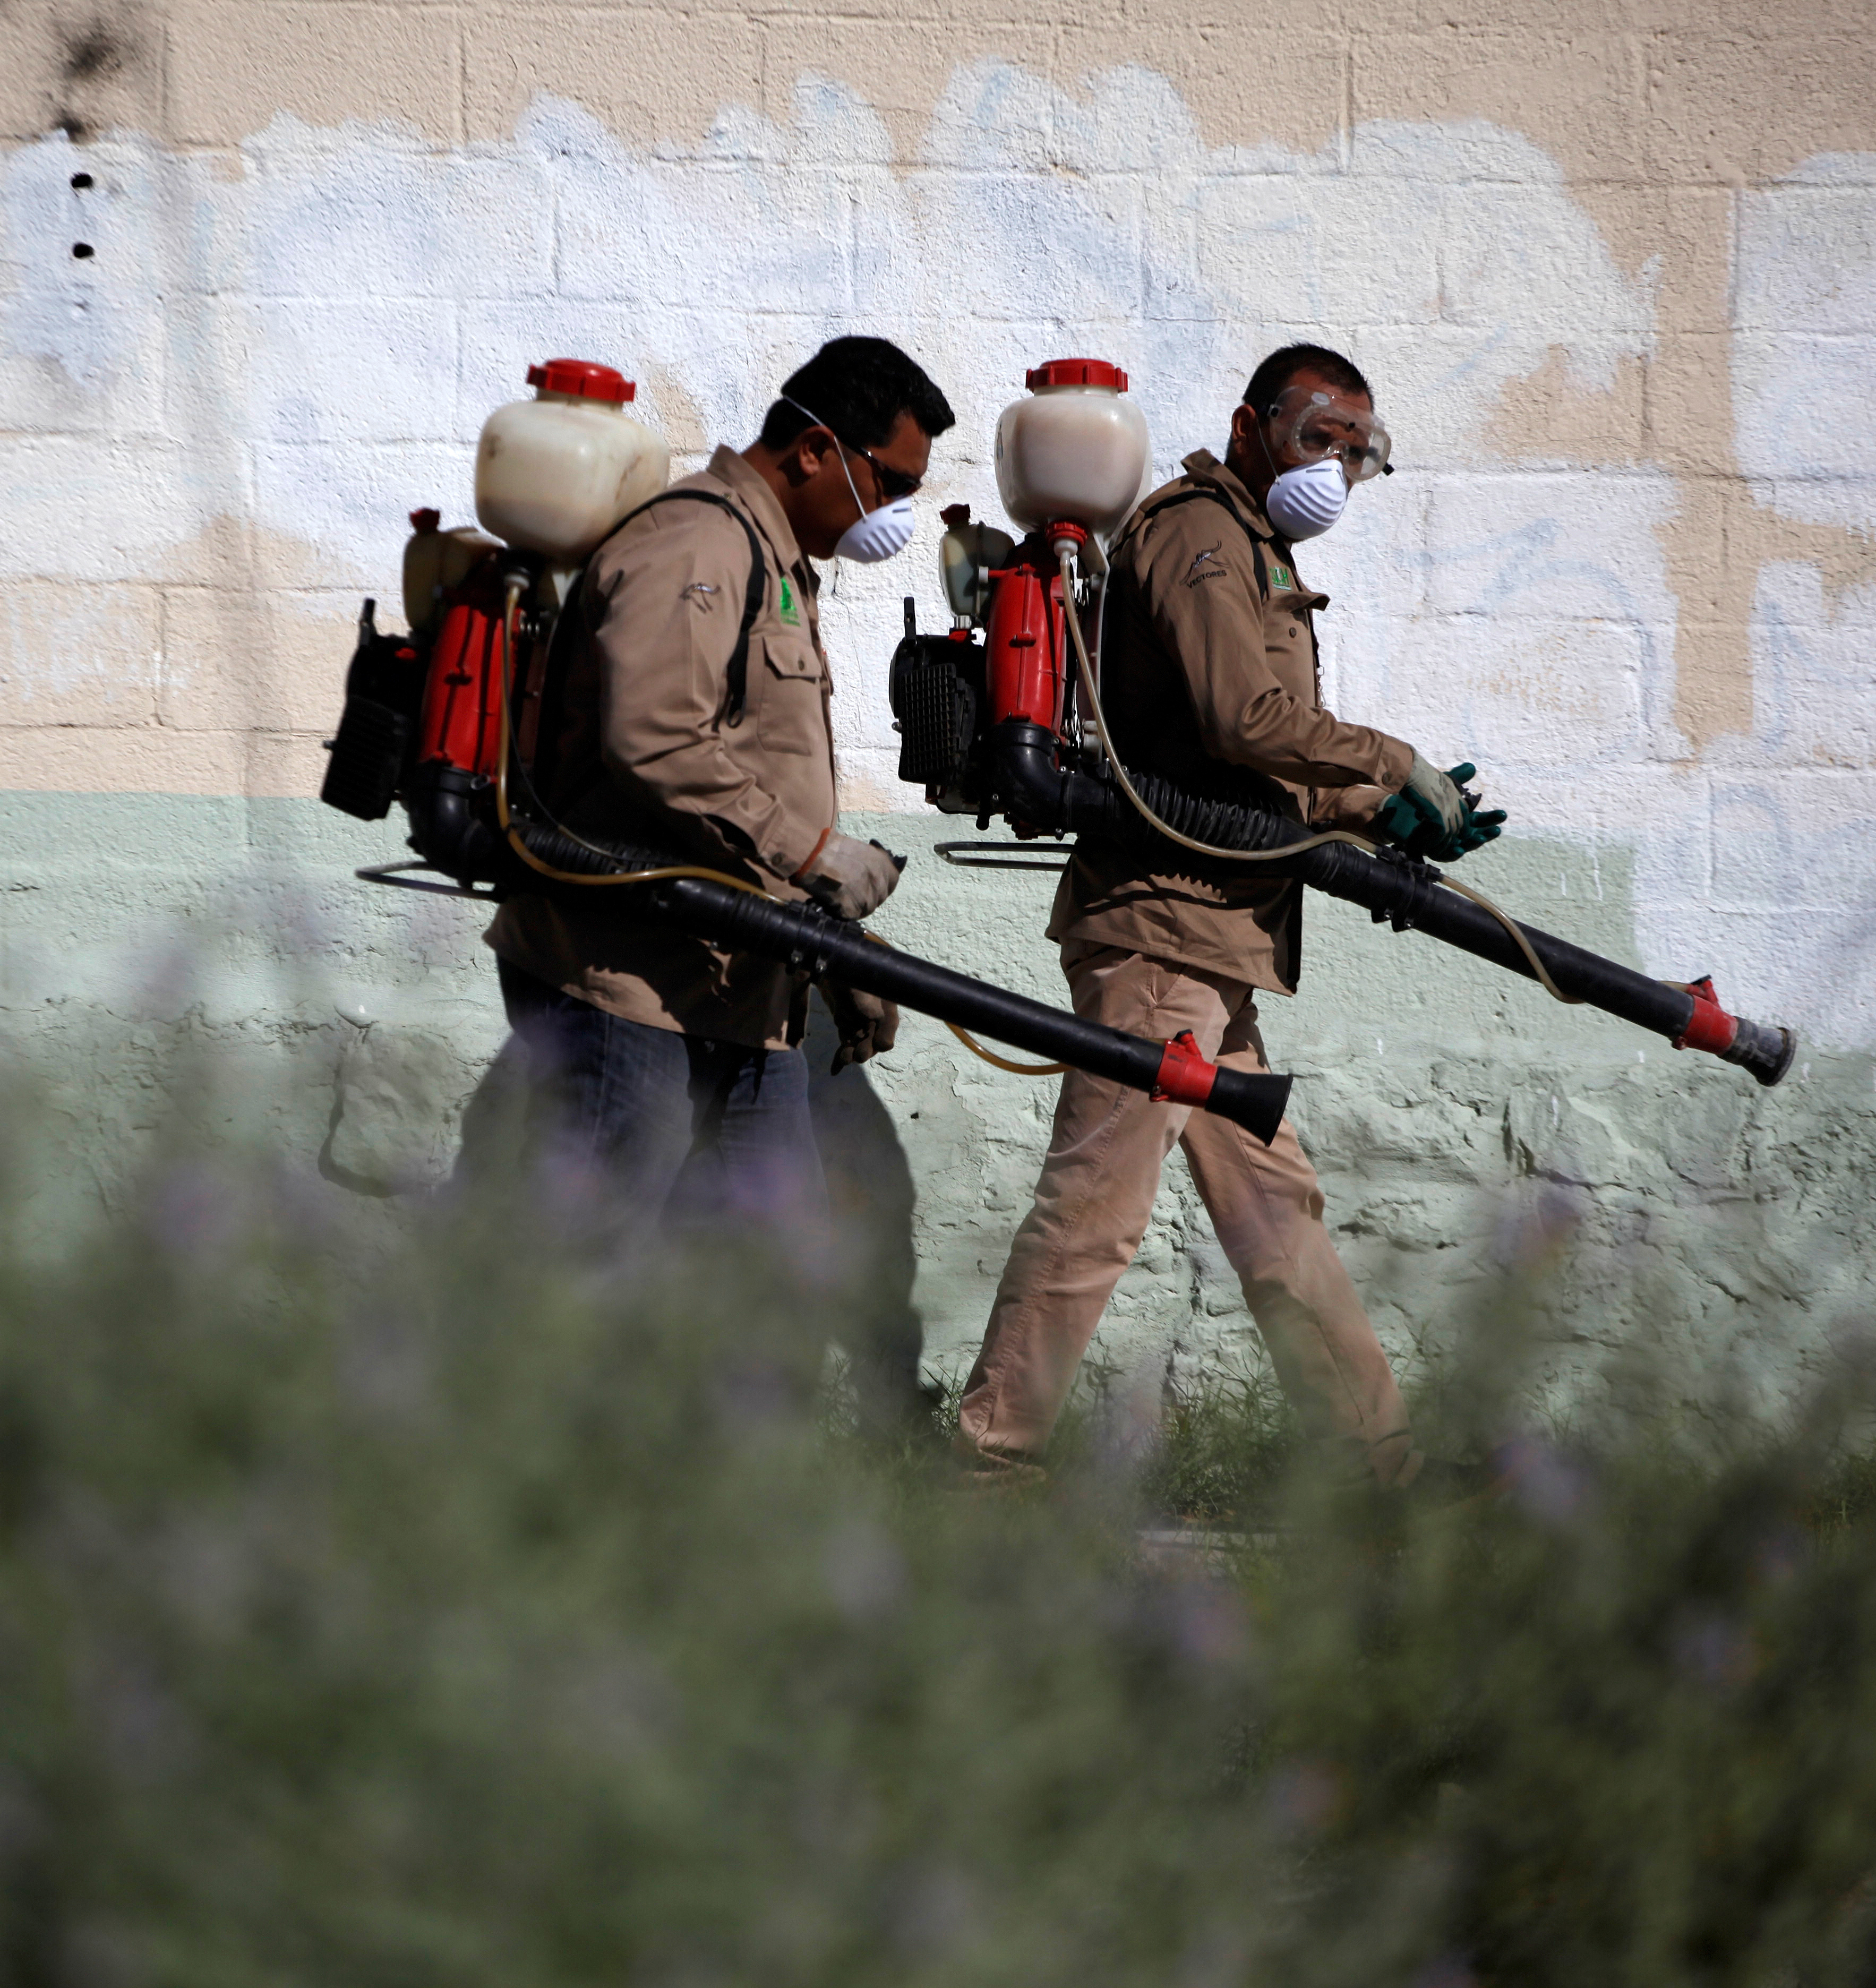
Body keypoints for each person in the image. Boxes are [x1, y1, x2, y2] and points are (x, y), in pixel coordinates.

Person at [952, 342, 1503, 1488]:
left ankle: (1376, 1467)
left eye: (1357, 454)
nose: (1335, 472)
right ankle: (990, 1460)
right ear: (1252, 429)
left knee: (1276, 1217)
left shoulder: (1252, 548)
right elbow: (1246, 719)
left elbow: (1261, 765)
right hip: (1161, 936)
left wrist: (1379, 811)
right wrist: (1390, 760)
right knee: (1099, 1205)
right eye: (1318, 441)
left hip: (1210, 939)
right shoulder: (1203, 534)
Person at [480, 336, 957, 1244]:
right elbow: (656, 741)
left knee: (766, 1278)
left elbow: (744, 781)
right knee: (590, 1269)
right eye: (889, 482)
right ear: (814, 451)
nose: (896, 511)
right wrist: (817, 858)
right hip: (628, 986)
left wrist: (829, 948)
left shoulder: (771, 561)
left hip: (738, 986)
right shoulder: (699, 539)